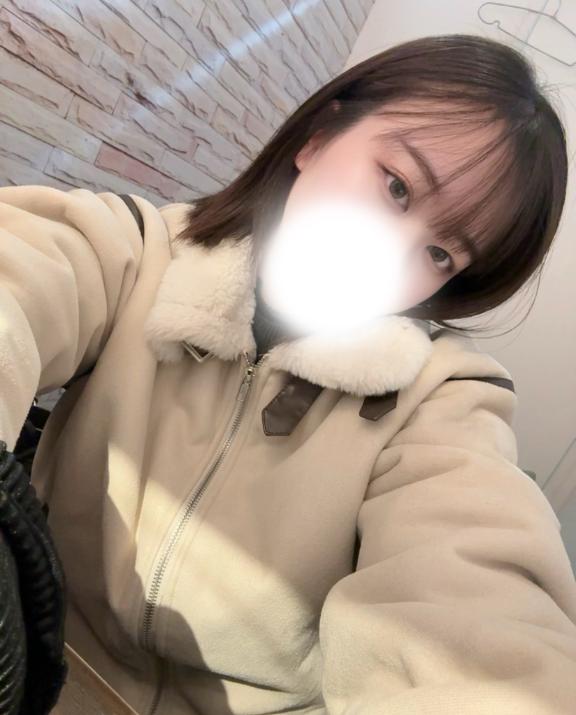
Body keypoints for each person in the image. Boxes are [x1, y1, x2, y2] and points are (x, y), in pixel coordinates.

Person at [1, 32, 575, 715]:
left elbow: (479, 604)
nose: (389, 258)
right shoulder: (138, 254)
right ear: (318, 137)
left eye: (440, 253)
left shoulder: (438, 400)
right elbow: (22, 278)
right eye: (396, 186)